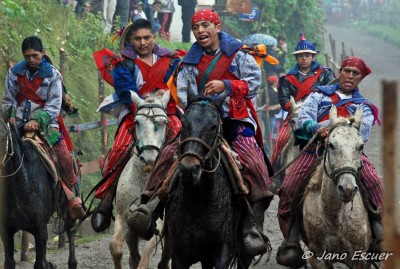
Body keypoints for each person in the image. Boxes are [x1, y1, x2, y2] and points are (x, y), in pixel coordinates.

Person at [129, 9, 274, 256]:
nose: (200, 31)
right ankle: (149, 206)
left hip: (233, 119)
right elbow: (183, 92)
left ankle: (253, 226)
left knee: (254, 161)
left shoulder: (239, 55)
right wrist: (201, 108)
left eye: (205, 25)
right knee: (168, 153)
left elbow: (253, 85)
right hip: (199, 121)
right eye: (196, 27)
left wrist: (227, 85)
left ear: (217, 27)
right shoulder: (188, 61)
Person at [276, 56, 383, 268]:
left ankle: (379, 230)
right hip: (316, 150)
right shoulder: (318, 95)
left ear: (360, 79)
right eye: (347, 71)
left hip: (350, 153)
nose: (350, 76)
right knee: (290, 186)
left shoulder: (364, 106)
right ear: (339, 71)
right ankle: (292, 239)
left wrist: (332, 127)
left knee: (374, 181)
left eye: (355, 73)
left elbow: (363, 130)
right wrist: (317, 129)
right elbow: (303, 118)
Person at [90, 19, 182, 232]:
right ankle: (106, 198)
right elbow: (125, 90)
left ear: (154, 37)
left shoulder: (171, 60)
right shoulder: (124, 64)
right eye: (137, 38)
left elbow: (176, 82)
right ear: (131, 40)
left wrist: (165, 93)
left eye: (147, 38)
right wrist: (149, 99)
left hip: (165, 112)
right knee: (119, 149)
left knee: (184, 142)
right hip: (136, 114)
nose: (143, 42)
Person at [1, 36, 86, 221]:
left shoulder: (53, 75)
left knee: (64, 157)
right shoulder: (14, 73)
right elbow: (7, 100)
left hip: (47, 124)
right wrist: (13, 116)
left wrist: (38, 120)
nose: (31, 59)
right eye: (27, 56)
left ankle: (72, 198)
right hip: (17, 124)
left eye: (35, 55)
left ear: (43, 54)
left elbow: (54, 105)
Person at [270, 34, 335, 168]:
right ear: (296, 58)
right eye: (300, 55)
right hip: (296, 116)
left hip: (322, 115)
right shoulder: (287, 79)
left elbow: (332, 94)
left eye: (307, 55)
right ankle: (276, 174)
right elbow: (283, 99)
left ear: (313, 56)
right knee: (282, 140)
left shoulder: (325, 74)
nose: (304, 58)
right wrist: (296, 109)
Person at [261, 75, 280, 155]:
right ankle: (267, 151)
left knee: (269, 132)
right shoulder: (269, 92)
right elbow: (270, 105)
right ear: (274, 82)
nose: (277, 83)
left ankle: (267, 150)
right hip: (268, 114)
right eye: (276, 82)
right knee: (268, 133)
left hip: (271, 114)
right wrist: (279, 106)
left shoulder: (272, 90)